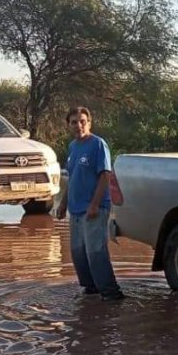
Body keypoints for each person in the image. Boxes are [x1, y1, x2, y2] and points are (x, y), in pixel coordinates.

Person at [55, 106, 125, 301]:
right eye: (74, 122)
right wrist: (63, 203)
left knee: (96, 252)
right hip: (75, 209)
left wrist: (95, 204)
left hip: (94, 208)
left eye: (82, 121)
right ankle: (91, 290)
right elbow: (72, 177)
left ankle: (111, 294)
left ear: (89, 123)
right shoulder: (72, 147)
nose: (79, 125)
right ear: (68, 125)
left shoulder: (98, 144)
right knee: (78, 252)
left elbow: (105, 175)